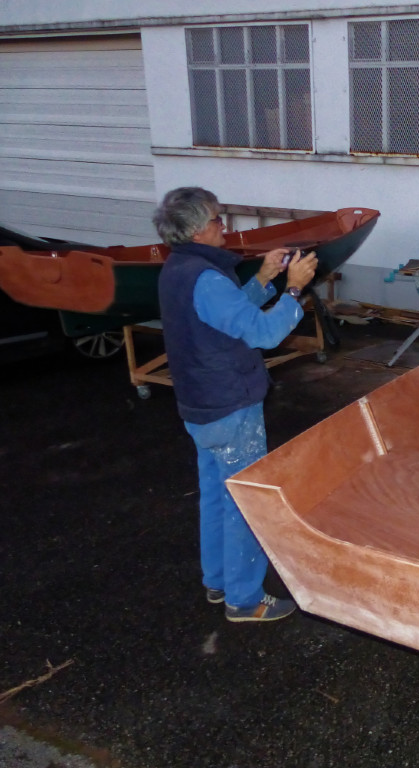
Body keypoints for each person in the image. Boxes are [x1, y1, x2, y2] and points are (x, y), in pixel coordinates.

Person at [153, 187, 318, 622]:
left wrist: (264, 278)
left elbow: (227, 320)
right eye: (216, 220)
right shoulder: (205, 277)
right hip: (229, 404)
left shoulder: (179, 269)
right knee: (243, 499)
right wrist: (294, 291)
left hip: (199, 404)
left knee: (215, 492)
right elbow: (263, 334)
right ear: (196, 229)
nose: (223, 227)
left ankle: (219, 580)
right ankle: (244, 599)